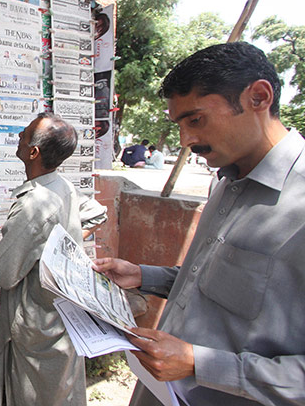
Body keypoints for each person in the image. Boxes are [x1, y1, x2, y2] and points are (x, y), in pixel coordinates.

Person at [93, 42, 305, 405]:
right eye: (179, 125)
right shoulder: (224, 182)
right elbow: (215, 279)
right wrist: (145, 275)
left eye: (195, 120)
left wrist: (199, 363)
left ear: (258, 97)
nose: (186, 141)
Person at [0, 113, 86, 406]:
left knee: (31, 394)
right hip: (58, 316)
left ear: (33, 152)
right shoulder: (62, 186)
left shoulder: (36, 204)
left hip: (37, 323)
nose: (17, 136)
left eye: (24, 134)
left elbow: (3, 272)